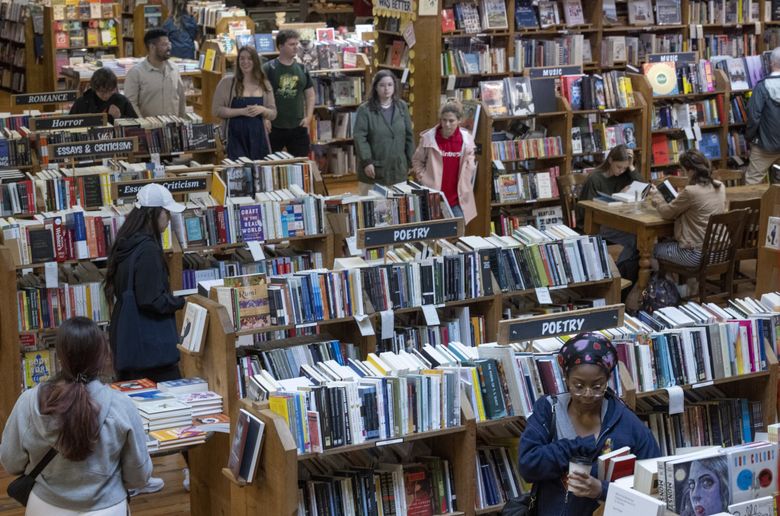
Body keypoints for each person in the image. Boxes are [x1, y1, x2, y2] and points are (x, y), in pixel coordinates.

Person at [0, 317, 152, 514]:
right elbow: (138, 477)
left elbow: (11, 462)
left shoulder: (29, 402)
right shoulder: (122, 406)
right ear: (102, 355)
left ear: (59, 356)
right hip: (107, 508)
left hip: (45, 507)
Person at [517, 333, 660, 516]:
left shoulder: (627, 423)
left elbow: (654, 487)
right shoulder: (548, 410)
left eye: (597, 386)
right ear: (566, 379)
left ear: (607, 380)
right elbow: (528, 466)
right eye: (578, 385)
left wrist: (602, 489)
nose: (587, 393)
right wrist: (577, 446)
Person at [104, 182, 185, 382]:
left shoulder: (127, 243)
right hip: (150, 349)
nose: (169, 219)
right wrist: (182, 302)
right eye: (167, 212)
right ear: (154, 213)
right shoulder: (148, 250)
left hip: (127, 339)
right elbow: (151, 299)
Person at [651, 149, 727, 267]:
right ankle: (684, 283)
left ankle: (670, 285)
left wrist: (657, 198)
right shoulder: (720, 186)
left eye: (683, 170)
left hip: (697, 255)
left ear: (691, 171)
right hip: (721, 252)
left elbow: (667, 213)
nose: (682, 174)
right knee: (669, 243)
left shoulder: (691, 192)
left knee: (651, 250)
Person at [578, 144, 643, 281]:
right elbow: (588, 210)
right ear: (610, 160)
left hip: (619, 221)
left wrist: (631, 168)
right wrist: (617, 196)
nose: (621, 171)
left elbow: (643, 186)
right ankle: (619, 274)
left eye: (624, 168)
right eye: (619, 167)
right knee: (635, 240)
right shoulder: (595, 178)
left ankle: (622, 273)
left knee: (641, 238)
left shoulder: (625, 175)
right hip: (598, 223)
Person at [412, 99, 477, 223]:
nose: (447, 124)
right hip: (434, 198)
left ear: (459, 121)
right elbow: (417, 160)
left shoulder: (467, 140)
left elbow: (470, 164)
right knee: (434, 235)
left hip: (457, 199)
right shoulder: (428, 138)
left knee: (458, 235)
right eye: (444, 120)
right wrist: (423, 177)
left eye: (451, 121)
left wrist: (467, 177)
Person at [353, 70, 414, 194]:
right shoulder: (365, 110)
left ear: (394, 86)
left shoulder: (402, 106)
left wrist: (410, 161)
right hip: (374, 169)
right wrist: (367, 161)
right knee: (373, 208)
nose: (386, 89)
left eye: (390, 85)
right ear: (375, 87)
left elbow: (409, 135)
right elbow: (360, 138)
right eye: (382, 85)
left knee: (399, 208)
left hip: (398, 168)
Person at [212, 46, 277, 160]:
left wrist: (263, 110)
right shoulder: (227, 83)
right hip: (235, 138)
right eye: (242, 58)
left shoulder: (264, 84)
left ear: (255, 61)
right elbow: (216, 110)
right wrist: (242, 111)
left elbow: (273, 113)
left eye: (249, 58)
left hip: (259, 139)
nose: (245, 62)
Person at [262, 30, 315, 157]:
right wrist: (264, 118)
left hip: (298, 125)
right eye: (291, 44)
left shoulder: (302, 69)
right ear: (280, 46)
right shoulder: (268, 68)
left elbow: (310, 94)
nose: (296, 47)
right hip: (274, 126)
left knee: (301, 164)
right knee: (270, 164)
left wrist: (308, 117)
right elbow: (259, 94)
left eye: (297, 44)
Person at [124, 28, 187, 118]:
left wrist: (182, 121)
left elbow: (181, 98)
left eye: (169, 43)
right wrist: (143, 125)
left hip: (174, 127)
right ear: (152, 47)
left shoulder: (174, 69)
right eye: (164, 45)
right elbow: (131, 104)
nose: (169, 47)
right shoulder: (136, 73)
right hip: (149, 129)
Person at [745, 46, 780, 184]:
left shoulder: (761, 87)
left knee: (753, 182)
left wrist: (750, 137)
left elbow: (754, 117)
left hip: (765, 146)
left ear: (771, 63)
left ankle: (753, 207)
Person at [69, 67, 137, 123]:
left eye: (110, 91)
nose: (106, 95)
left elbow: (136, 124)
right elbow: (70, 123)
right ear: (94, 88)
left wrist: (119, 117)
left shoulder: (122, 101)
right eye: (102, 92)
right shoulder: (82, 102)